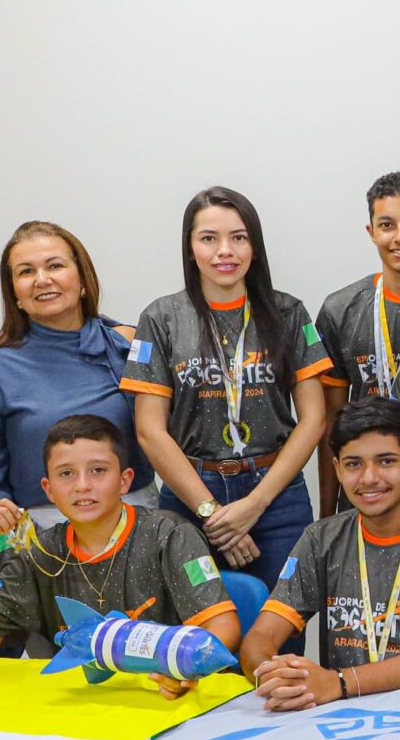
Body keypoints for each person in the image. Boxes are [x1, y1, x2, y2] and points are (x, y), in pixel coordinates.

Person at [122, 186, 332, 587]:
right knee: (194, 638)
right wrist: (211, 512)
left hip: (276, 497)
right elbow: (150, 430)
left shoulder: (288, 313)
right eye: (209, 238)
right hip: (189, 497)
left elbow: (314, 419)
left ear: (254, 246)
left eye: (239, 237)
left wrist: (255, 504)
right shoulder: (162, 318)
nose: (225, 251)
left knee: (278, 631)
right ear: (190, 248)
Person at [0, 414, 241, 683]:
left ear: (124, 481)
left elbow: (223, 627)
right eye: (66, 474)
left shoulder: (170, 535)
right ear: (49, 489)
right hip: (81, 712)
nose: (82, 485)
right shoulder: (40, 553)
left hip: (164, 694)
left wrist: (182, 672)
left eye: (98, 470)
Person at [239, 397, 400, 712]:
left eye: (386, 461)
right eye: (354, 464)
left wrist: (340, 682)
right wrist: (276, 678)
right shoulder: (321, 539)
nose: (369, 478)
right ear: (337, 469)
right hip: (343, 718)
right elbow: (259, 639)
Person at [0, 221, 140, 512]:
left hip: (136, 520)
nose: (42, 279)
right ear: (14, 293)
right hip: (40, 534)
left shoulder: (129, 345)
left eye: (54, 266)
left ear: (83, 279)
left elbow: (165, 432)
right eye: (26, 271)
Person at [313, 171, 400, 509]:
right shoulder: (340, 309)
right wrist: (329, 512)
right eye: (387, 225)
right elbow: (331, 420)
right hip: (365, 487)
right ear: (371, 232)